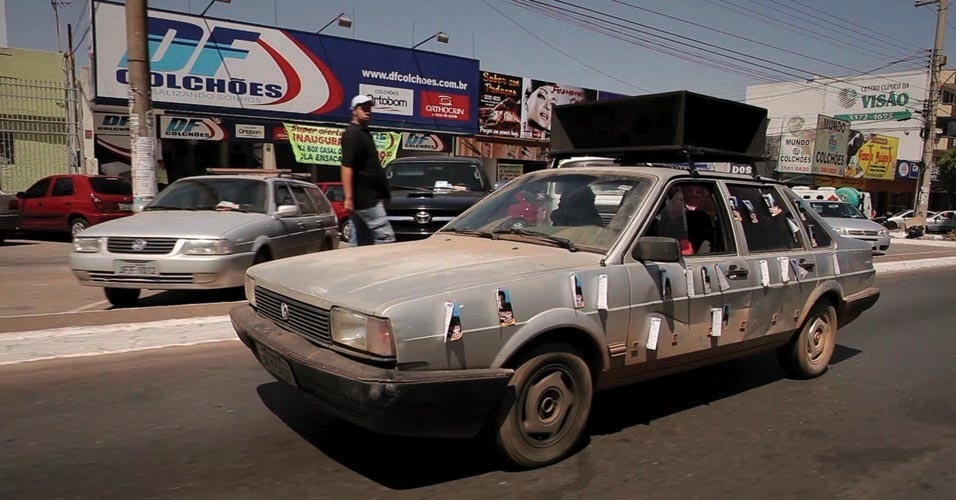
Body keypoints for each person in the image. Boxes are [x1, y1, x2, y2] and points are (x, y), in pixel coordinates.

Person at [341, 95, 395, 246]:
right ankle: (385, 269)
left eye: (369, 108)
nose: (368, 111)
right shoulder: (352, 134)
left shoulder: (364, 133)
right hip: (366, 200)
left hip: (369, 198)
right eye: (363, 108)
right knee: (386, 238)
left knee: (360, 241)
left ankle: (357, 268)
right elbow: (347, 166)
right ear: (354, 111)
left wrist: (385, 193)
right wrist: (348, 198)